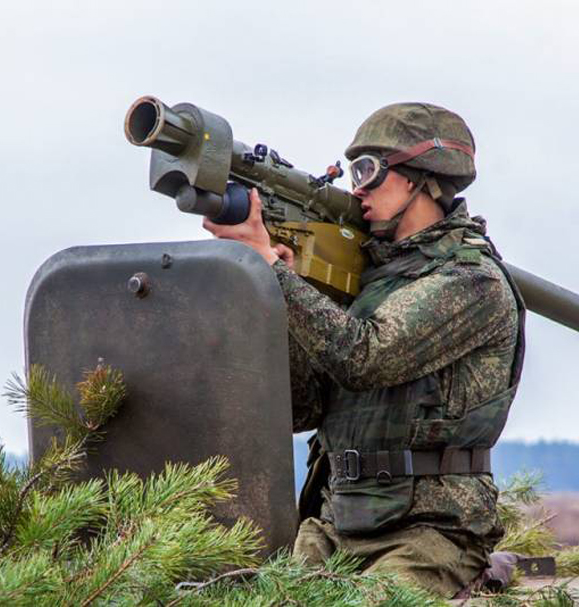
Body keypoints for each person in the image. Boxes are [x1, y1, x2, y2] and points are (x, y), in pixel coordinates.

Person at [203, 102, 525, 598]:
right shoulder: (367, 282)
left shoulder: (469, 281)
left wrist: (273, 269)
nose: (357, 189)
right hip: (335, 525)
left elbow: (364, 356)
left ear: (424, 179)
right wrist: (283, 288)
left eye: (370, 170)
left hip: (428, 534)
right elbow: (303, 406)